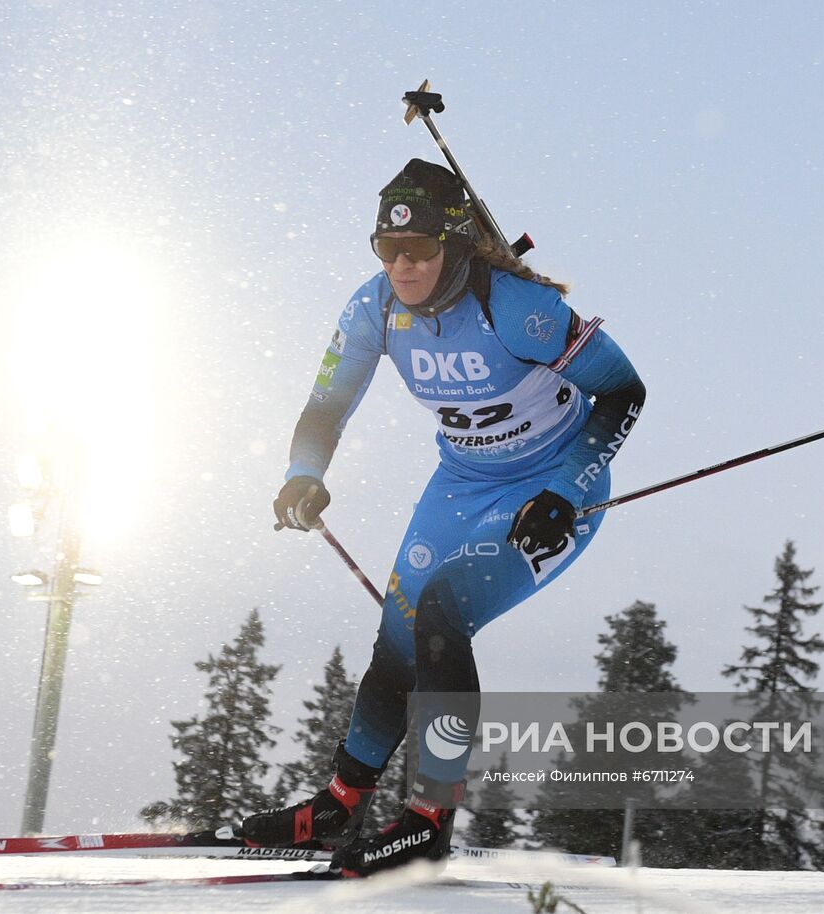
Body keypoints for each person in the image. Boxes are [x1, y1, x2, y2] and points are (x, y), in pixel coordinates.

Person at [239, 158, 646, 876]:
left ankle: (429, 819)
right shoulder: (373, 310)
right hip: (459, 483)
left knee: (442, 613)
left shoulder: (518, 307)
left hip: (551, 488)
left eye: (419, 250)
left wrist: (566, 493)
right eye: (387, 249)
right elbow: (326, 405)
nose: (402, 265)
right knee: (397, 639)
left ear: (454, 244)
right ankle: (338, 803)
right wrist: (303, 476)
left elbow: (622, 392)